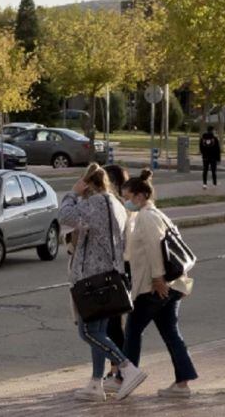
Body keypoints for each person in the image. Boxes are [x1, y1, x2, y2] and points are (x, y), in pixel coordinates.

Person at [59, 163, 147, 402]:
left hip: (93, 279)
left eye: (83, 184)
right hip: (108, 276)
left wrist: (73, 193)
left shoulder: (97, 202)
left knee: (87, 331)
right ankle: (96, 383)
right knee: (99, 331)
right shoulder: (115, 204)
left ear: (89, 184)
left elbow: (65, 215)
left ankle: (127, 368)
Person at [121, 170, 197, 398]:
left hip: (154, 287)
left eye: (127, 197)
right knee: (171, 333)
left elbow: (155, 249)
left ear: (140, 196)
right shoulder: (158, 215)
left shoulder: (146, 216)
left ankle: (128, 376)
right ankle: (182, 383)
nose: (126, 202)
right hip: (171, 284)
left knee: (133, 330)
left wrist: (158, 279)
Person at [102, 164, 131, 388]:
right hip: (124, 269)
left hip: (119, 270)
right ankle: (118, 370)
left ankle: (121, 371)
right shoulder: (122, 205)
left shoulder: (116, 206)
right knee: (115, 324)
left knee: (112, 324)